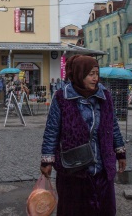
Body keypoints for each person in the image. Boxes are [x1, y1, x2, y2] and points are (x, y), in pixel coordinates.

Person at [40, 55, 126, 215]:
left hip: (102, 169)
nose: (95, 78)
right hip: (73, 170)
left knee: (104, 210)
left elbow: (113, 125)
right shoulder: (62, 97)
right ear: (79, 74)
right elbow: (52, 130)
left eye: (97, 73)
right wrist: (47, 160)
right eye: (90, 74)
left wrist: (120, 153)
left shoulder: (104, 96)